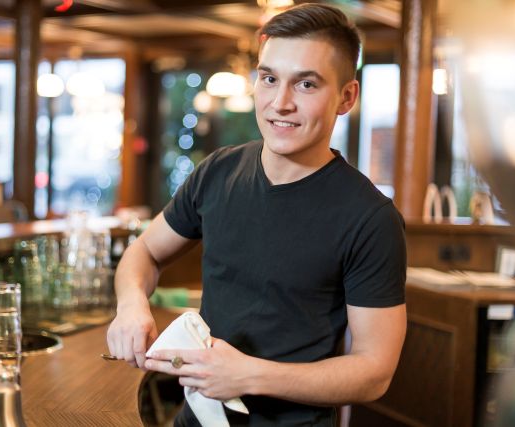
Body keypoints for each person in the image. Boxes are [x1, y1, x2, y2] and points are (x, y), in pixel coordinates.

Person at [107, 3, 407, 426]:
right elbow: (145, 253)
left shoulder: (371, 218)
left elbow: (374, 372)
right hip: (195, 418)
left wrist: (248, 375)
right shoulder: (218, 171)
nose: (279, 103)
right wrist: (132, 305)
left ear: (346, 97)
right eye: (268, 79)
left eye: (306, 84)